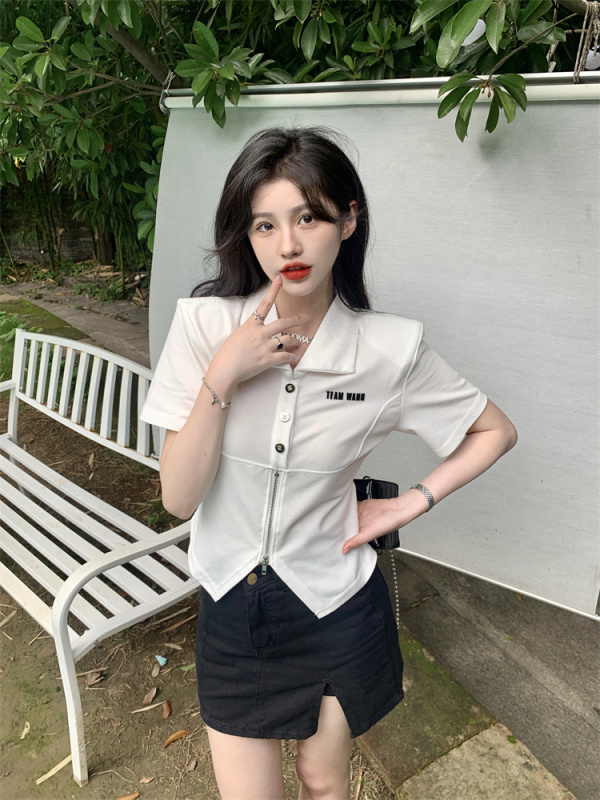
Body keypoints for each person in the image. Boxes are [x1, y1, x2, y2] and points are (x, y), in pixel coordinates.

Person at [141, 127, 517, 800]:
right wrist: (221, 377)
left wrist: (413, 501)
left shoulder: (390, 349)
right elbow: (178, 498)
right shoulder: (204, 328)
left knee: (323, 779)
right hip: (232, 600)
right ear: (247, 234)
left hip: (336, 599)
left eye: (308, 217)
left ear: (348, 219)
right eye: (265, 224)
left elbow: (494, 430)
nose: (287, 245)